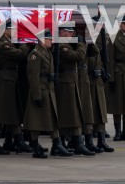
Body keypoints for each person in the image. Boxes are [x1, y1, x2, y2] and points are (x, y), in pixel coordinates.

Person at [24, 29, 73, 158]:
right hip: (40, 90)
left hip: (48, 89)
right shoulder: (35, 54)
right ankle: (35, 145)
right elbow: (33, 77)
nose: (51, 41)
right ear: (41, 40)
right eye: (49, 39)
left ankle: (57, 144)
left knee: (52, 119)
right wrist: (37, 95)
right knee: (35, 122)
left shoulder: (47, 52)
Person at [0, 19, 31, 155]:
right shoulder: (3, 45)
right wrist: (25, 43)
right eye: (13, 29)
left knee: (13, 112)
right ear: (5, 30)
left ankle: (18, 141)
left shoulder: (8, 43)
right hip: (3, 80)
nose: (15, 31)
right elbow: (21, 55)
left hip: (9, 79)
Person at [55, 27, 94, 156]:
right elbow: (78, 56)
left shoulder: (68, 44)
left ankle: (76, 143)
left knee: (74, 113)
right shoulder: (61, 46)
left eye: (73, 31)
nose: (72, 33)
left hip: (72, 82)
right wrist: (82, 43)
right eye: (69, 31)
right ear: (61, 32)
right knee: (66, 114)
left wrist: (86, 41)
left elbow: (95, 52)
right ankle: (64, 144)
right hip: (65, 83)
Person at [87, 19, 114, 153]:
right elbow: (96, 47)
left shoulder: (101, 40)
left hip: (98, 81)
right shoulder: (89, 43)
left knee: (101, 112)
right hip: (89, 82)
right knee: (91, 113)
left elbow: (105, 42)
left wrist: (103, 32)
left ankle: (101, 141)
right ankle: (89, 141)